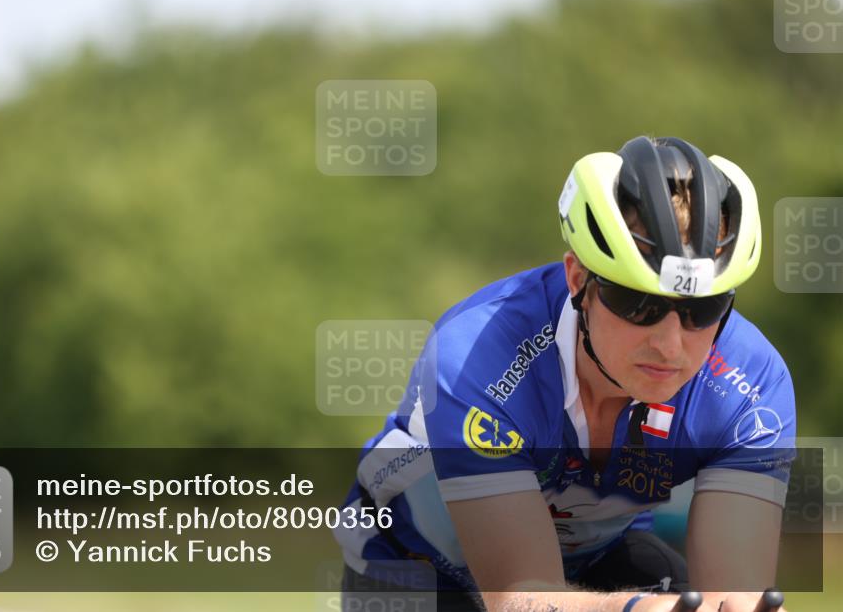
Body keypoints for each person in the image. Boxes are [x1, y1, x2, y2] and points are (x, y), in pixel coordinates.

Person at [334, 136, 795, 612]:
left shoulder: (752, 384)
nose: (670, 344)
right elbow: (521, 596)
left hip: (598, 563)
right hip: (416, 568)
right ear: (579, 279)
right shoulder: (476, 357)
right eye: (639, 304)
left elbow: (733, 594)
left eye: (704, 309)